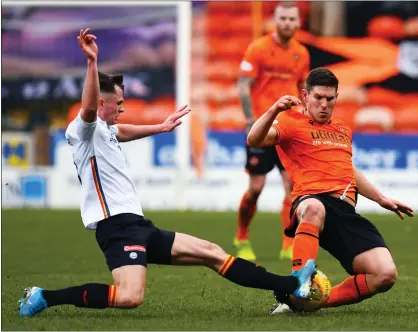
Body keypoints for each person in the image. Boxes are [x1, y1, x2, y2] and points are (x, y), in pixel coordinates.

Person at [18, 28, 318, 318]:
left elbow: (122, 131)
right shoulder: (84, 129)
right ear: (100, 103)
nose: (122, 108)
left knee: (211, 252)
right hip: (117, 228)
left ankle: (291, 286)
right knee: (129, 297)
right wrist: (92, 62)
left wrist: (160, 127)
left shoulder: (107, 131)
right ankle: (44, 297)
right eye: (118, 103)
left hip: (138, 225)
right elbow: (88, 108)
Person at [246, 67, 414, 313]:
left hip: (345, 212)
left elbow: (348, 170)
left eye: (330, 98)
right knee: (314, 208)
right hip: (311, 201)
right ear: (305, 96)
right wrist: (273, 110)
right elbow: (254, 139)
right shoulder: (289, 122)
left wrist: (381, 198)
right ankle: (296, 283)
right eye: (318, 98)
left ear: (336, 97)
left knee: (385, 275)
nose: (324, 104)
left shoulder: (343, 129)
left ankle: (303, 303)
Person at [235, 1, 310, 261]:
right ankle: (242, 235)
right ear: (275, 20)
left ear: (298, 22)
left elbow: (304, 89)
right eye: (283, 18)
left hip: (289, 129)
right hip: (262, 126)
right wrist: (249, 119)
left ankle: (288, 244)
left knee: (291, 186)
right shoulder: (258, 48)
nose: (288, 23)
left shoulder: (302, 53)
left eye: (292, 19)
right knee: (256, 188)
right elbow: (244, 85)